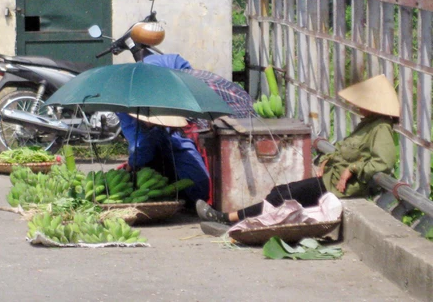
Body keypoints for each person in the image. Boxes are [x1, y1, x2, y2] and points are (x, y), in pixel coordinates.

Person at [197, 74, 399, 225]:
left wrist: (352, 169)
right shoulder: (367, 124)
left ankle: (229, 219)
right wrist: (327, 159)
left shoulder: (381, 128)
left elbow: (384, 161)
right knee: (281, 192)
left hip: (339, 187)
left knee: (281, 196)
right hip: (330, 178)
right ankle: (236, 219)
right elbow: (345, 150)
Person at [118, 113, 210, 205]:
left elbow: (140, 157)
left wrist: (126, 172)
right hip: (203, 189)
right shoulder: (179, 135)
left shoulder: (155, 134)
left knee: (144, 160)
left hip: (194, 193)